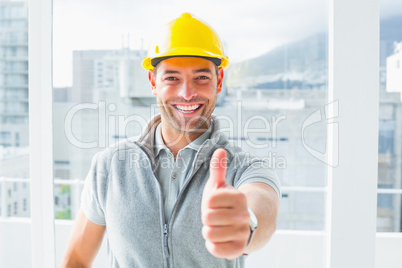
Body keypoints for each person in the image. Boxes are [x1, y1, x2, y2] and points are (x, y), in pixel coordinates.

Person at [60, 12, 281, 268]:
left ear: (219, 81)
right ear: (153, 81)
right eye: (172, 78)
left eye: (201, 78)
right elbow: (75, 259)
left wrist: (246, 225)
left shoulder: (244, 167)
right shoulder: (109, 166)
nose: (187, 94)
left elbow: (263, 206)